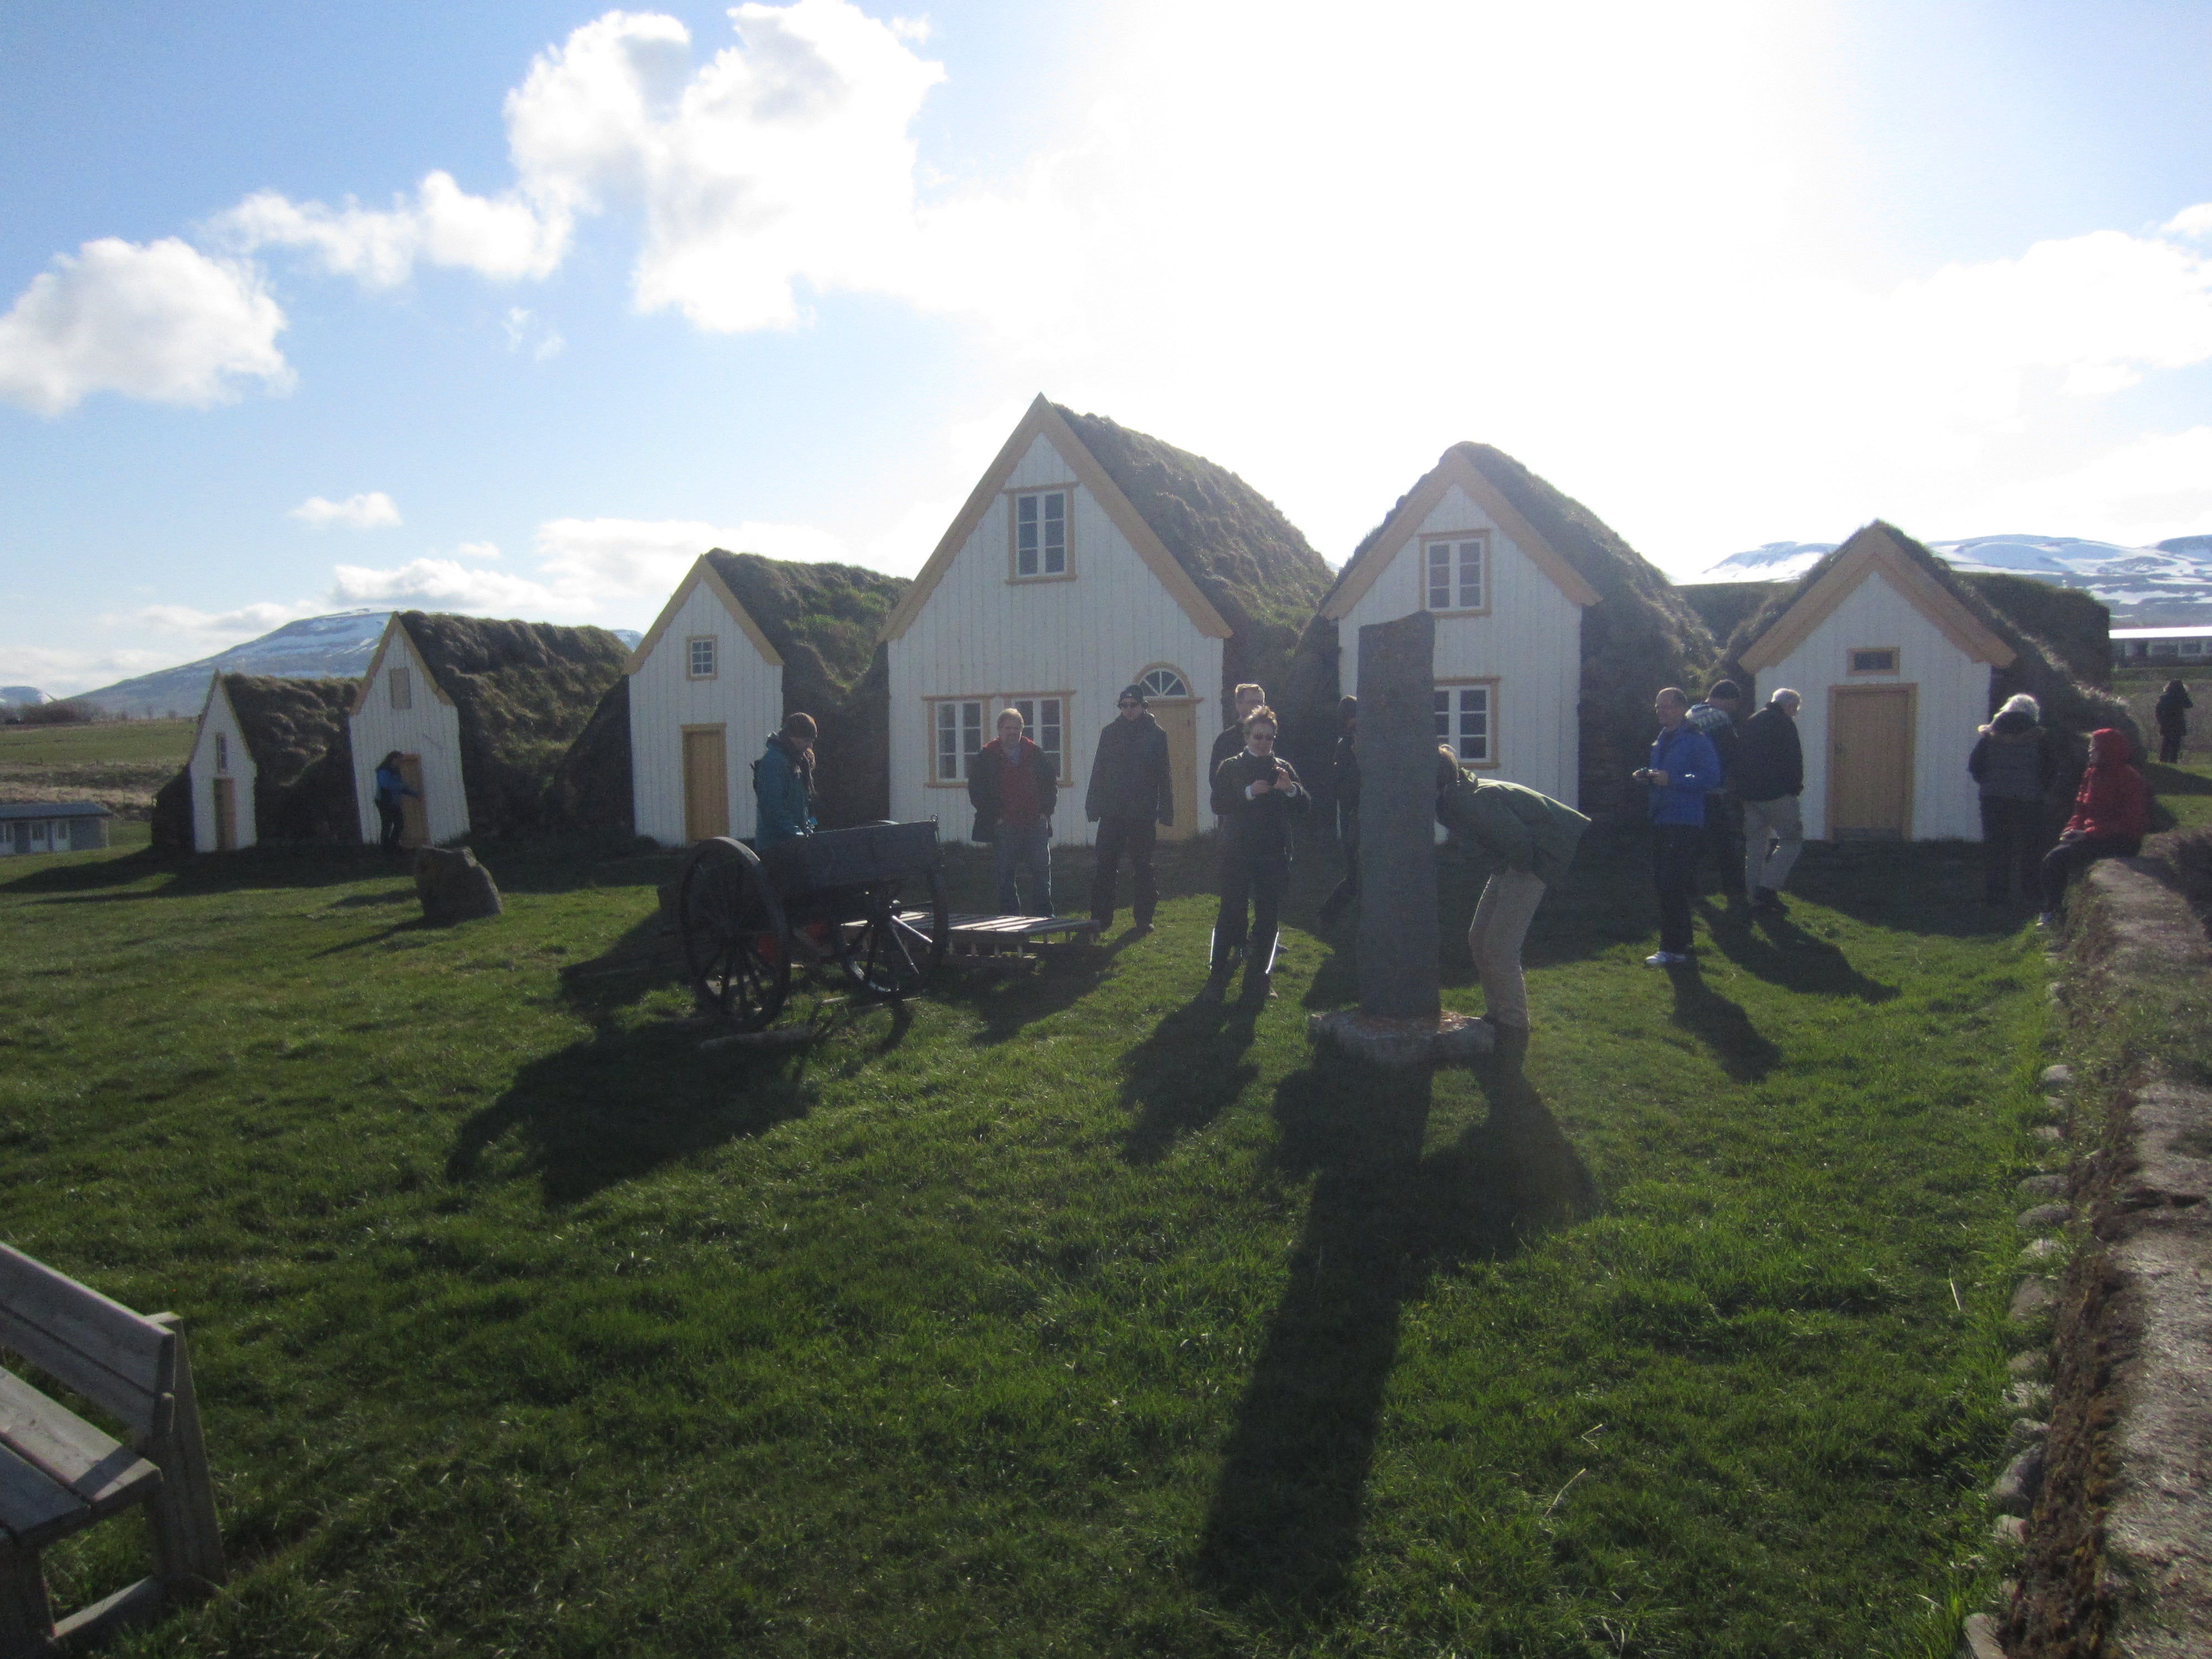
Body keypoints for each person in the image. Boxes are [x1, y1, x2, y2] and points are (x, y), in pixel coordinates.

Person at [1434, 746, 1588, 1034]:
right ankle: (1497, 1013)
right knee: (1479, 938)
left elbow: (1519, 842)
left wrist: (1512, 869)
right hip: (1511, 861)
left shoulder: (1467, 799)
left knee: (1501, 947)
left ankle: (1514, 1022)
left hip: (1532, 859)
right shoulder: (1453, 795)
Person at [1201, 707, 1308, 1004]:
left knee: (1268, 918)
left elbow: (1305, 808)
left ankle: (1261, 979)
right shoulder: (1231, 767)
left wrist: (1291, 790)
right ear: (1247, 737)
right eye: (1258, 736)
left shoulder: (1282, 768)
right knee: (1231, 914)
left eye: (1269, 738)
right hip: (1237, 851)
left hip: (1272, 853)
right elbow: (1218, 803)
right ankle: (1216, 977)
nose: (1263, 742)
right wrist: (1248, 792)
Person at [1636, 687, 1721, 966]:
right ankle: (1678, 946)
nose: (1661, 712)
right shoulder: (1663, 738)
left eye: (1667, 706)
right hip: (1662, 817)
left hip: (1684, 820)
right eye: (1658, 707)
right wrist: (1648, 777)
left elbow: (1710, 778)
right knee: (1664, 883)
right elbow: (1664, 776)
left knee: (1672, 883)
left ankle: (1674, 948)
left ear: (1681, 708)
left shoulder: (1697, 739)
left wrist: (1673, 780)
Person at [2038, 728, 2149, 929]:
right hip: (2092, 835)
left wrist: (2088, 834)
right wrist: (2072, 829)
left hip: (2120, 839)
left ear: (2108, 750)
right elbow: (2080, 808)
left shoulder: (2129, 778)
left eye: (2094, 747)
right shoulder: (2091, 774)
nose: (2090, 751)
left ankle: (2051, 912)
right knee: (2053, 857)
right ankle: (2054, 908)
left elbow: (2131, 821)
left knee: (2055, 860)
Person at [1086, 684, 1174, 932]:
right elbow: (1099, 771)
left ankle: (1144, 919)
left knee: (1143, 867)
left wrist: (1166, 809)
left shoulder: (1157, 734)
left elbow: (1163, 774)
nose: (1128, 710)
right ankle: (1100, 919)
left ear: (1143, 706)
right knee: (1105, 865)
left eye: (1133, 705)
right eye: (1124, 705)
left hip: (1142, 813)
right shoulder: (1110, 733)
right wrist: (1093, 804)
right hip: (1112, 811)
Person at [1969, 693, 2057, 907]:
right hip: (2029, 798)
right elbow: (2049, 769)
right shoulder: (2039, 737)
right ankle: (2031, 893)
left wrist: (1990, 783)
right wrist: (2041, 789)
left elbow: (1975, 766)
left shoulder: (1990, 735)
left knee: (1997, 847)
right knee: (2031, 847)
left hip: (1994, 798)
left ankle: (1996, 895)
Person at [968, 707, 1058, 915]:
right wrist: (995, 818)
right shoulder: (987, 755)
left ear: (1022, 730)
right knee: (1005, 875)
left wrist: (1046, 812)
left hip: (1035, 823)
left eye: (1016, 728)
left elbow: (1050, 783)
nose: (1012, 732)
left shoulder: (1035, 752)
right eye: (1008, 728)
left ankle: (1045, 915)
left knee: (1041, 873)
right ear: (1000, 729)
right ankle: (1010, 918)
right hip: (1005, 825)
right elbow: (977, 790)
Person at [1733, 689, 1804, 915]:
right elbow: (1793, 760)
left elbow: (1738, 757)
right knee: (1791, 840)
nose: (1795, 713)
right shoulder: (1784, 724)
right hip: (1777, 794)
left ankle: (1754, 897)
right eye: (1796, 709)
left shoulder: (1751, 722)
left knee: (1755, 845)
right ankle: (1767, 887)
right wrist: (1794, 789)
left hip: (1749, 795)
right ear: (1789, 705)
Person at [1687, 680, 1744, 901]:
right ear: (1727, 699)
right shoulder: (1718, 718)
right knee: (1725, 842)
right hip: (1712, 788)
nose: (1734, 708)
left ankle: (1690, 887)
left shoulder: (1692, 713)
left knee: (1696, 842)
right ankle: (1735, 890)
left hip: (1692, 788)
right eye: (1734, 703)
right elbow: (1731, 752)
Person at [1316, 695, 1360, 922]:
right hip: (1353, 817)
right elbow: (1341, 788)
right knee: (1355, 876)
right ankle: (1327, 917)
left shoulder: (1369, 745)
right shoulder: (1344, 748)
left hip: (1365, 816)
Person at [753, 712, 817, 846]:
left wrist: (809, 828)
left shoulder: (798, 762)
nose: (809, 745)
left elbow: (803, 807)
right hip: (776, 848)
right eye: (806, 740)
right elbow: (772, 808)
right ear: (792, 737)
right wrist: (797, 835)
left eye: (811, 741)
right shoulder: (774, 763)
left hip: (794, 844)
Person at [1209, 683, 1269, 819]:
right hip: (1237, 817)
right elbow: (1216, 781)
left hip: (1268, 816)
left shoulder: (1272, 736)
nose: (1258, 707)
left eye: (1261, 703)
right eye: (1253, 702)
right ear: (1238, 705)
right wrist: (1247, 792)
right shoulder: (1225, 740)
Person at [372, 751, 418, 854]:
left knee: (399, 824)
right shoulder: (384, 771)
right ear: (393, 759)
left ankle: (393, 845)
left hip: (394, 803)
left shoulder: (396, 771)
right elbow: (386, 784)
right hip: (384, 802)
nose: (400, 763)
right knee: (387, 825)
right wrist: (403, 786)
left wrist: (414, 794)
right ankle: (385, 849)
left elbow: (401, 787)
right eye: (399, 760)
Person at [2155, 679, 2193, 765]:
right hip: (2178, 723)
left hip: (2167, 723)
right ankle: (2173, 760)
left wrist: (2161, 721)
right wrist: (2185, 694)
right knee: (2176, 743)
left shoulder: (2164, 697)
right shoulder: (2181, 697)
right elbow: (2190, 705)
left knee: (2166, 742)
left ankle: (2163, 759)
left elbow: (2158, 710)